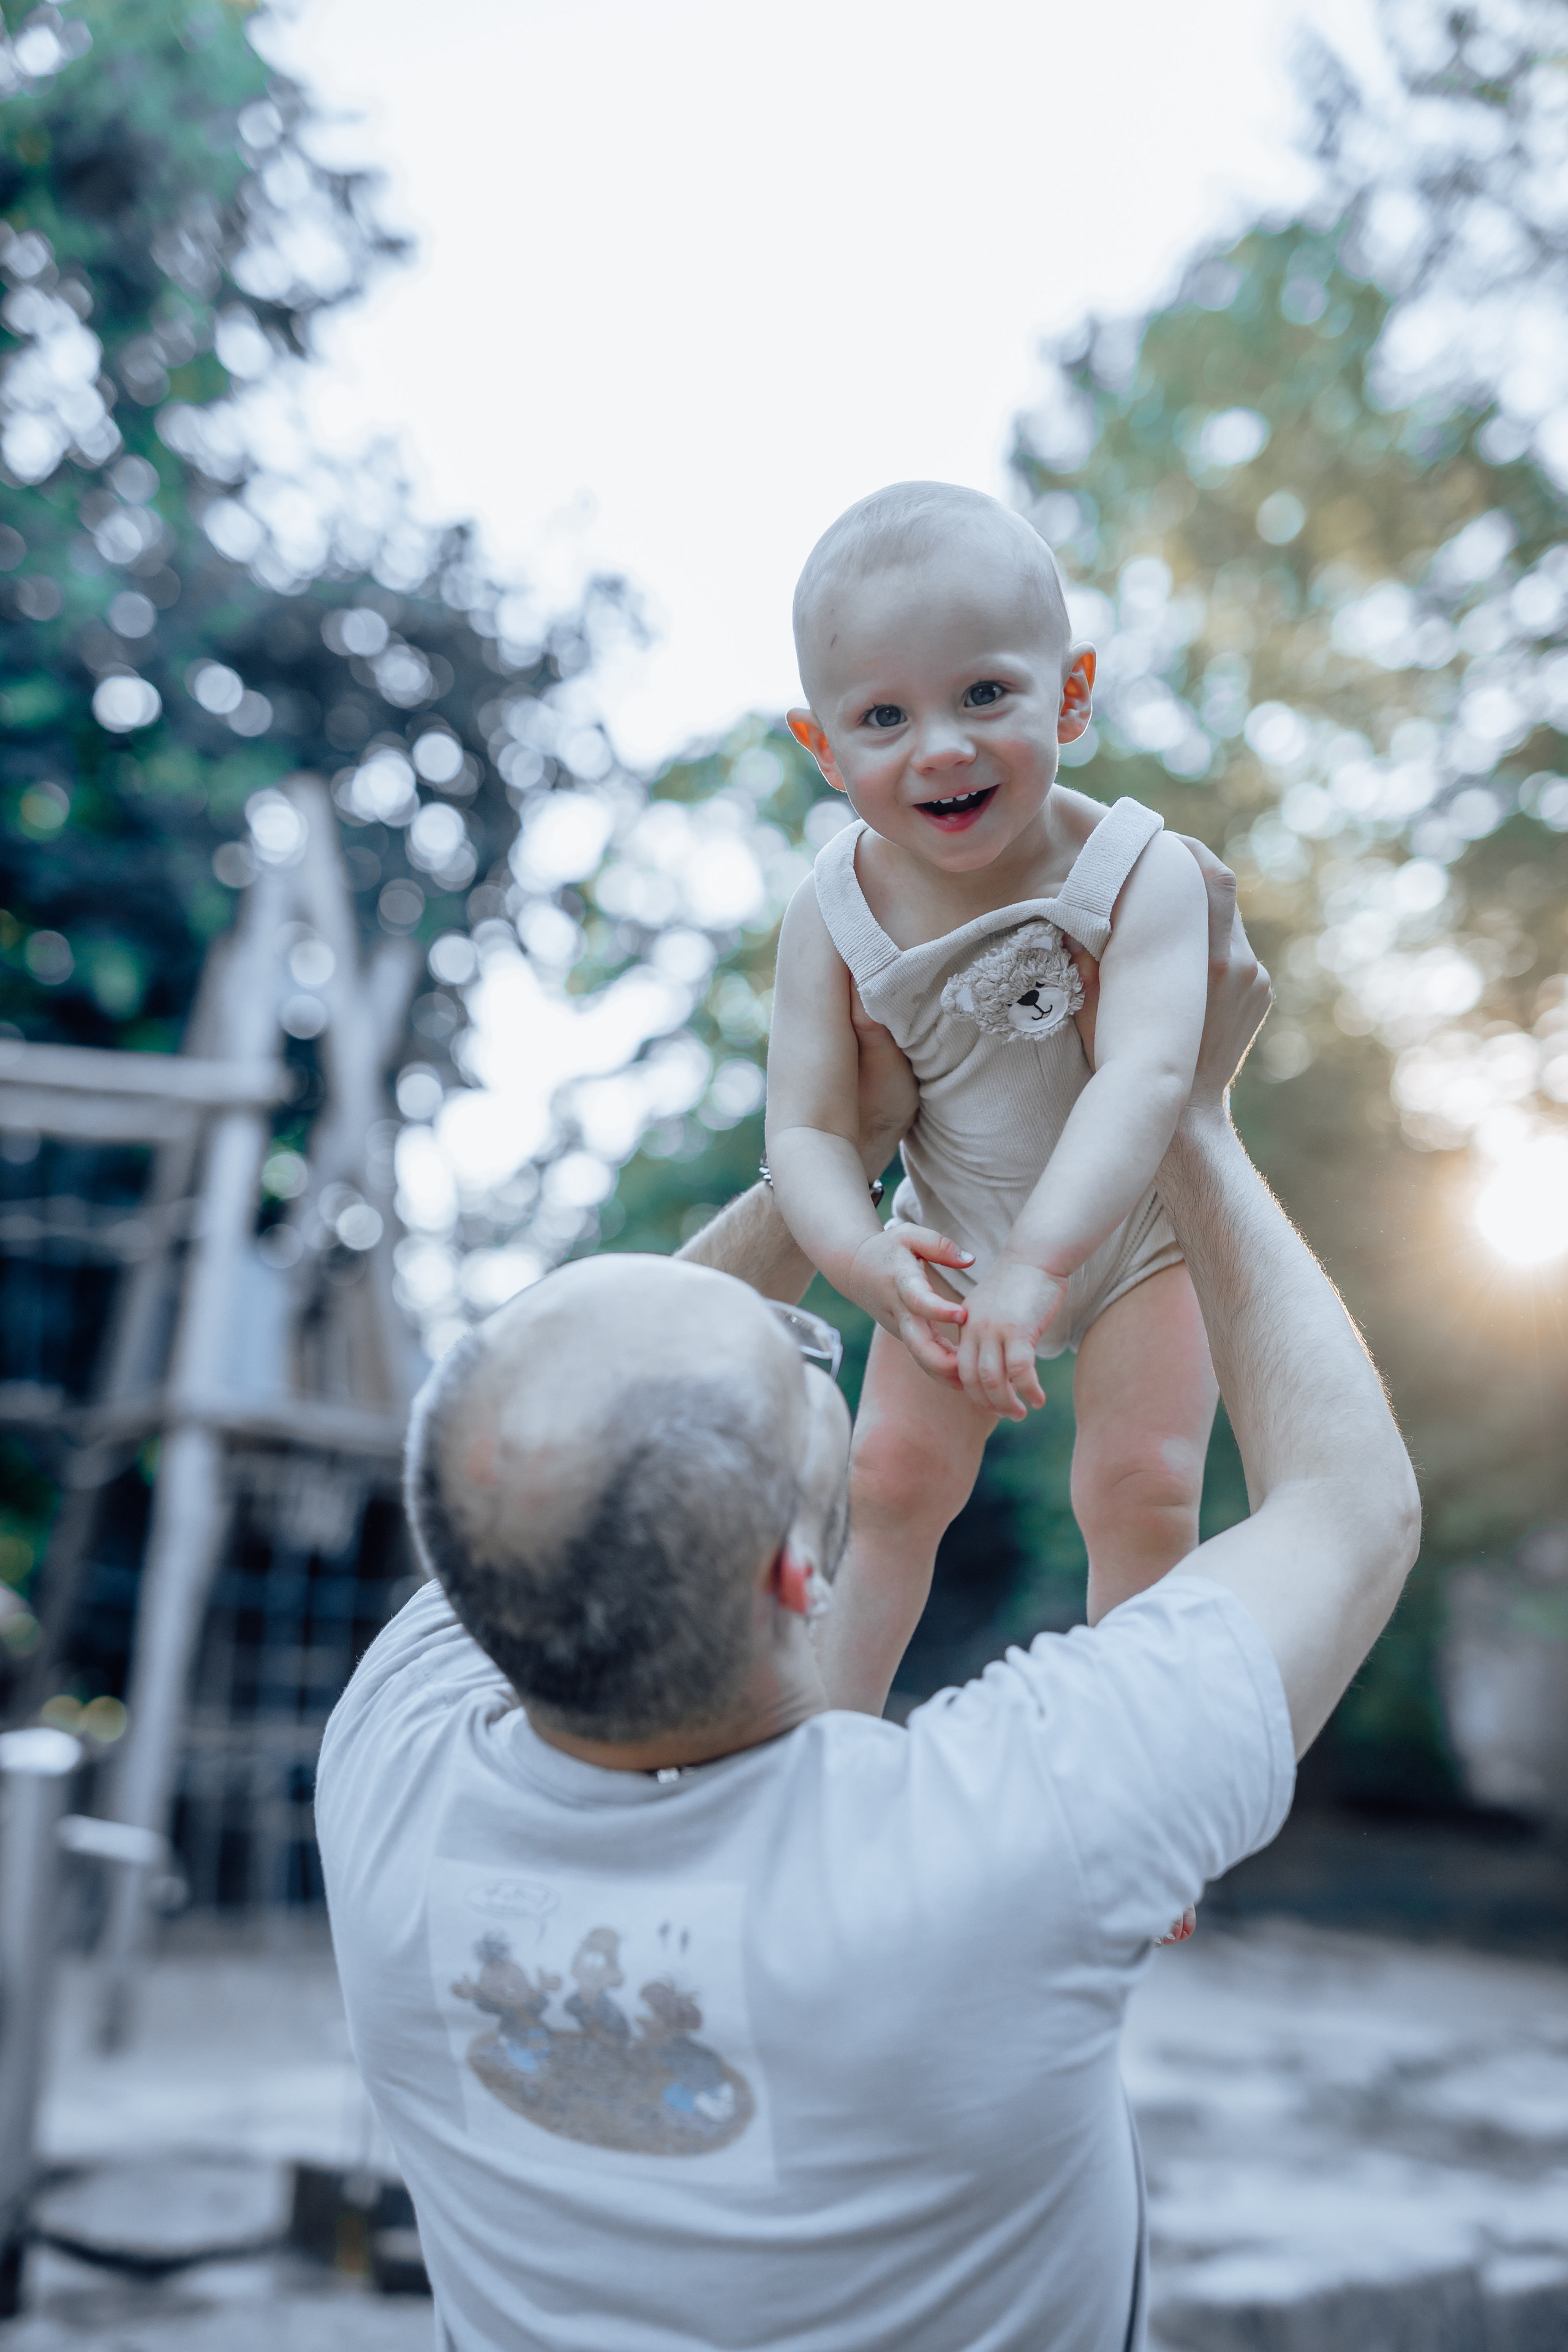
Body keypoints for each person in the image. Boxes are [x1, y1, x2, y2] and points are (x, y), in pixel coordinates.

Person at [315, 855, 1420, 2352]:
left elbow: (548, 1413)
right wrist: (1194, 1122)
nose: (813, 1335)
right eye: (801, 1363)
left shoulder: (388, 1780)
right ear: (796, 1567)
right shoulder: (1008, 1833)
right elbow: (1349, 1507)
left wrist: (816, 1176)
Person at [767, 480, 1218, 1648]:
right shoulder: (830, 916)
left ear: (1069, 695)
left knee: (1145, 1490)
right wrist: (865, 1261)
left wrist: (1045, 1264)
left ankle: (1137, 1767)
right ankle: (829, 1748)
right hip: (955, 1236)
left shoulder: (1137, 870)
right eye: (883, 719)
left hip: (1139, 1236)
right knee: (885, 1491)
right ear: (822, 747)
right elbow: (810, 1132)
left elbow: (1148, 1079)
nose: (944, 747)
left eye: (984, 693)